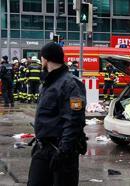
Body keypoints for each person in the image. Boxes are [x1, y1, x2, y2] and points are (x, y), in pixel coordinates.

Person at [27, 42, 87, 186]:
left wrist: (63, 152)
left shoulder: (71, 84)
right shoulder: (48, 83)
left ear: (45, 59)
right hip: (43, 149)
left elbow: (74, 120)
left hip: (60, 152)